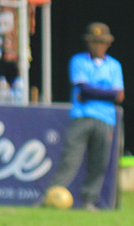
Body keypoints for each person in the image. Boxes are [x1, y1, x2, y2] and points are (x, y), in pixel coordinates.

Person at [45, 22, 125, 211]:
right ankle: (52, 195)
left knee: (99, 162)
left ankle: (89, 201)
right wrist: (107, 93)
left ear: (108, 44)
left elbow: (119, 96)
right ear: (88, 43)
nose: (97, 46)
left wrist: (93, 93)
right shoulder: (79, 61)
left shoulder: (114, 65)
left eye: (101, 42)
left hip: (106, 118)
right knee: (70, 159)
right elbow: (83, 89)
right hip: (82, 117)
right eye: (93, 42)